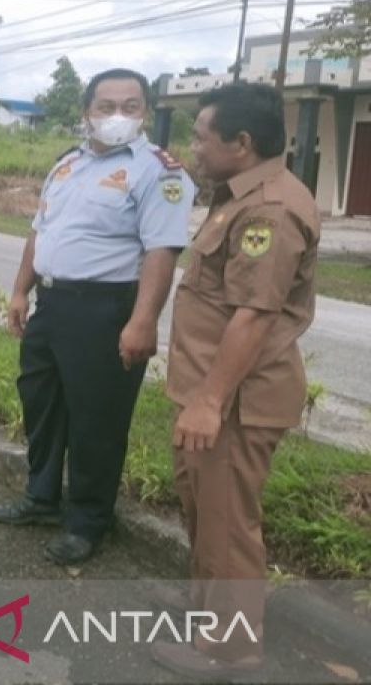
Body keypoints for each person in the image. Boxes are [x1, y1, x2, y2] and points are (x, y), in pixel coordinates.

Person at [0, 69, 194, 565]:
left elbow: (162, 252)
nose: (119, 115)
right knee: (41, 403)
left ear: (145, 112)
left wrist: (143, 321)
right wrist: (21, 291)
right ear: (86, 113)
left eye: (131, 105)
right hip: (53, 305)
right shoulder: (68, 165)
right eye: (106, 106)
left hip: (107, 310)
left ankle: (87, 521)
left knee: (96, 421)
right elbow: (41, 231)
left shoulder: (158, 172)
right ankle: (41, 498)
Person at [152, 83, 319, 679]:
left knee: (227, 524)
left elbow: (254, 315)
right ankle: (206, 606)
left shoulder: (269, 211)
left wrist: (209, 400)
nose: (193, 147)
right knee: (204, 510)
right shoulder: (237, 195)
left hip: (235, 401)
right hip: (210, 394)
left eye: (201, 137)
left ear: (241, 144)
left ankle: (230, 648)